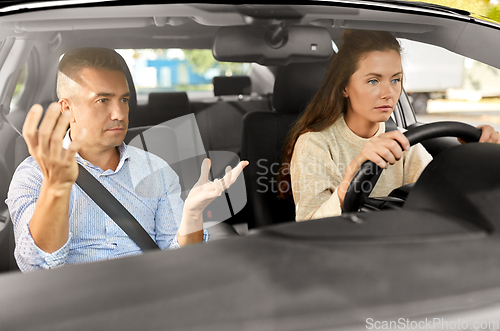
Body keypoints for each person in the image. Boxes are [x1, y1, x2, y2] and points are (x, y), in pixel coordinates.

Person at [6, 48, 248, 272]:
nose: (120, 114)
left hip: (150, 296)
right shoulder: (33, 175)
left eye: (124, 100)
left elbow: (179, 259)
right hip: (74, 303)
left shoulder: (157, 169)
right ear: (67, 108)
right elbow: (35, 266)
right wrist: (55, 189)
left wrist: (193, 215)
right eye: (103, 100)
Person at [278, 29, 500, 222]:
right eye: (373, 80)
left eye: (395, 80)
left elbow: (440, 199)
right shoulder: (315, 144)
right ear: (345, 87)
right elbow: (309, 228)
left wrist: (475, 158)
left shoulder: (405, 142)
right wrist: (349, 180)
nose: (389, 94)